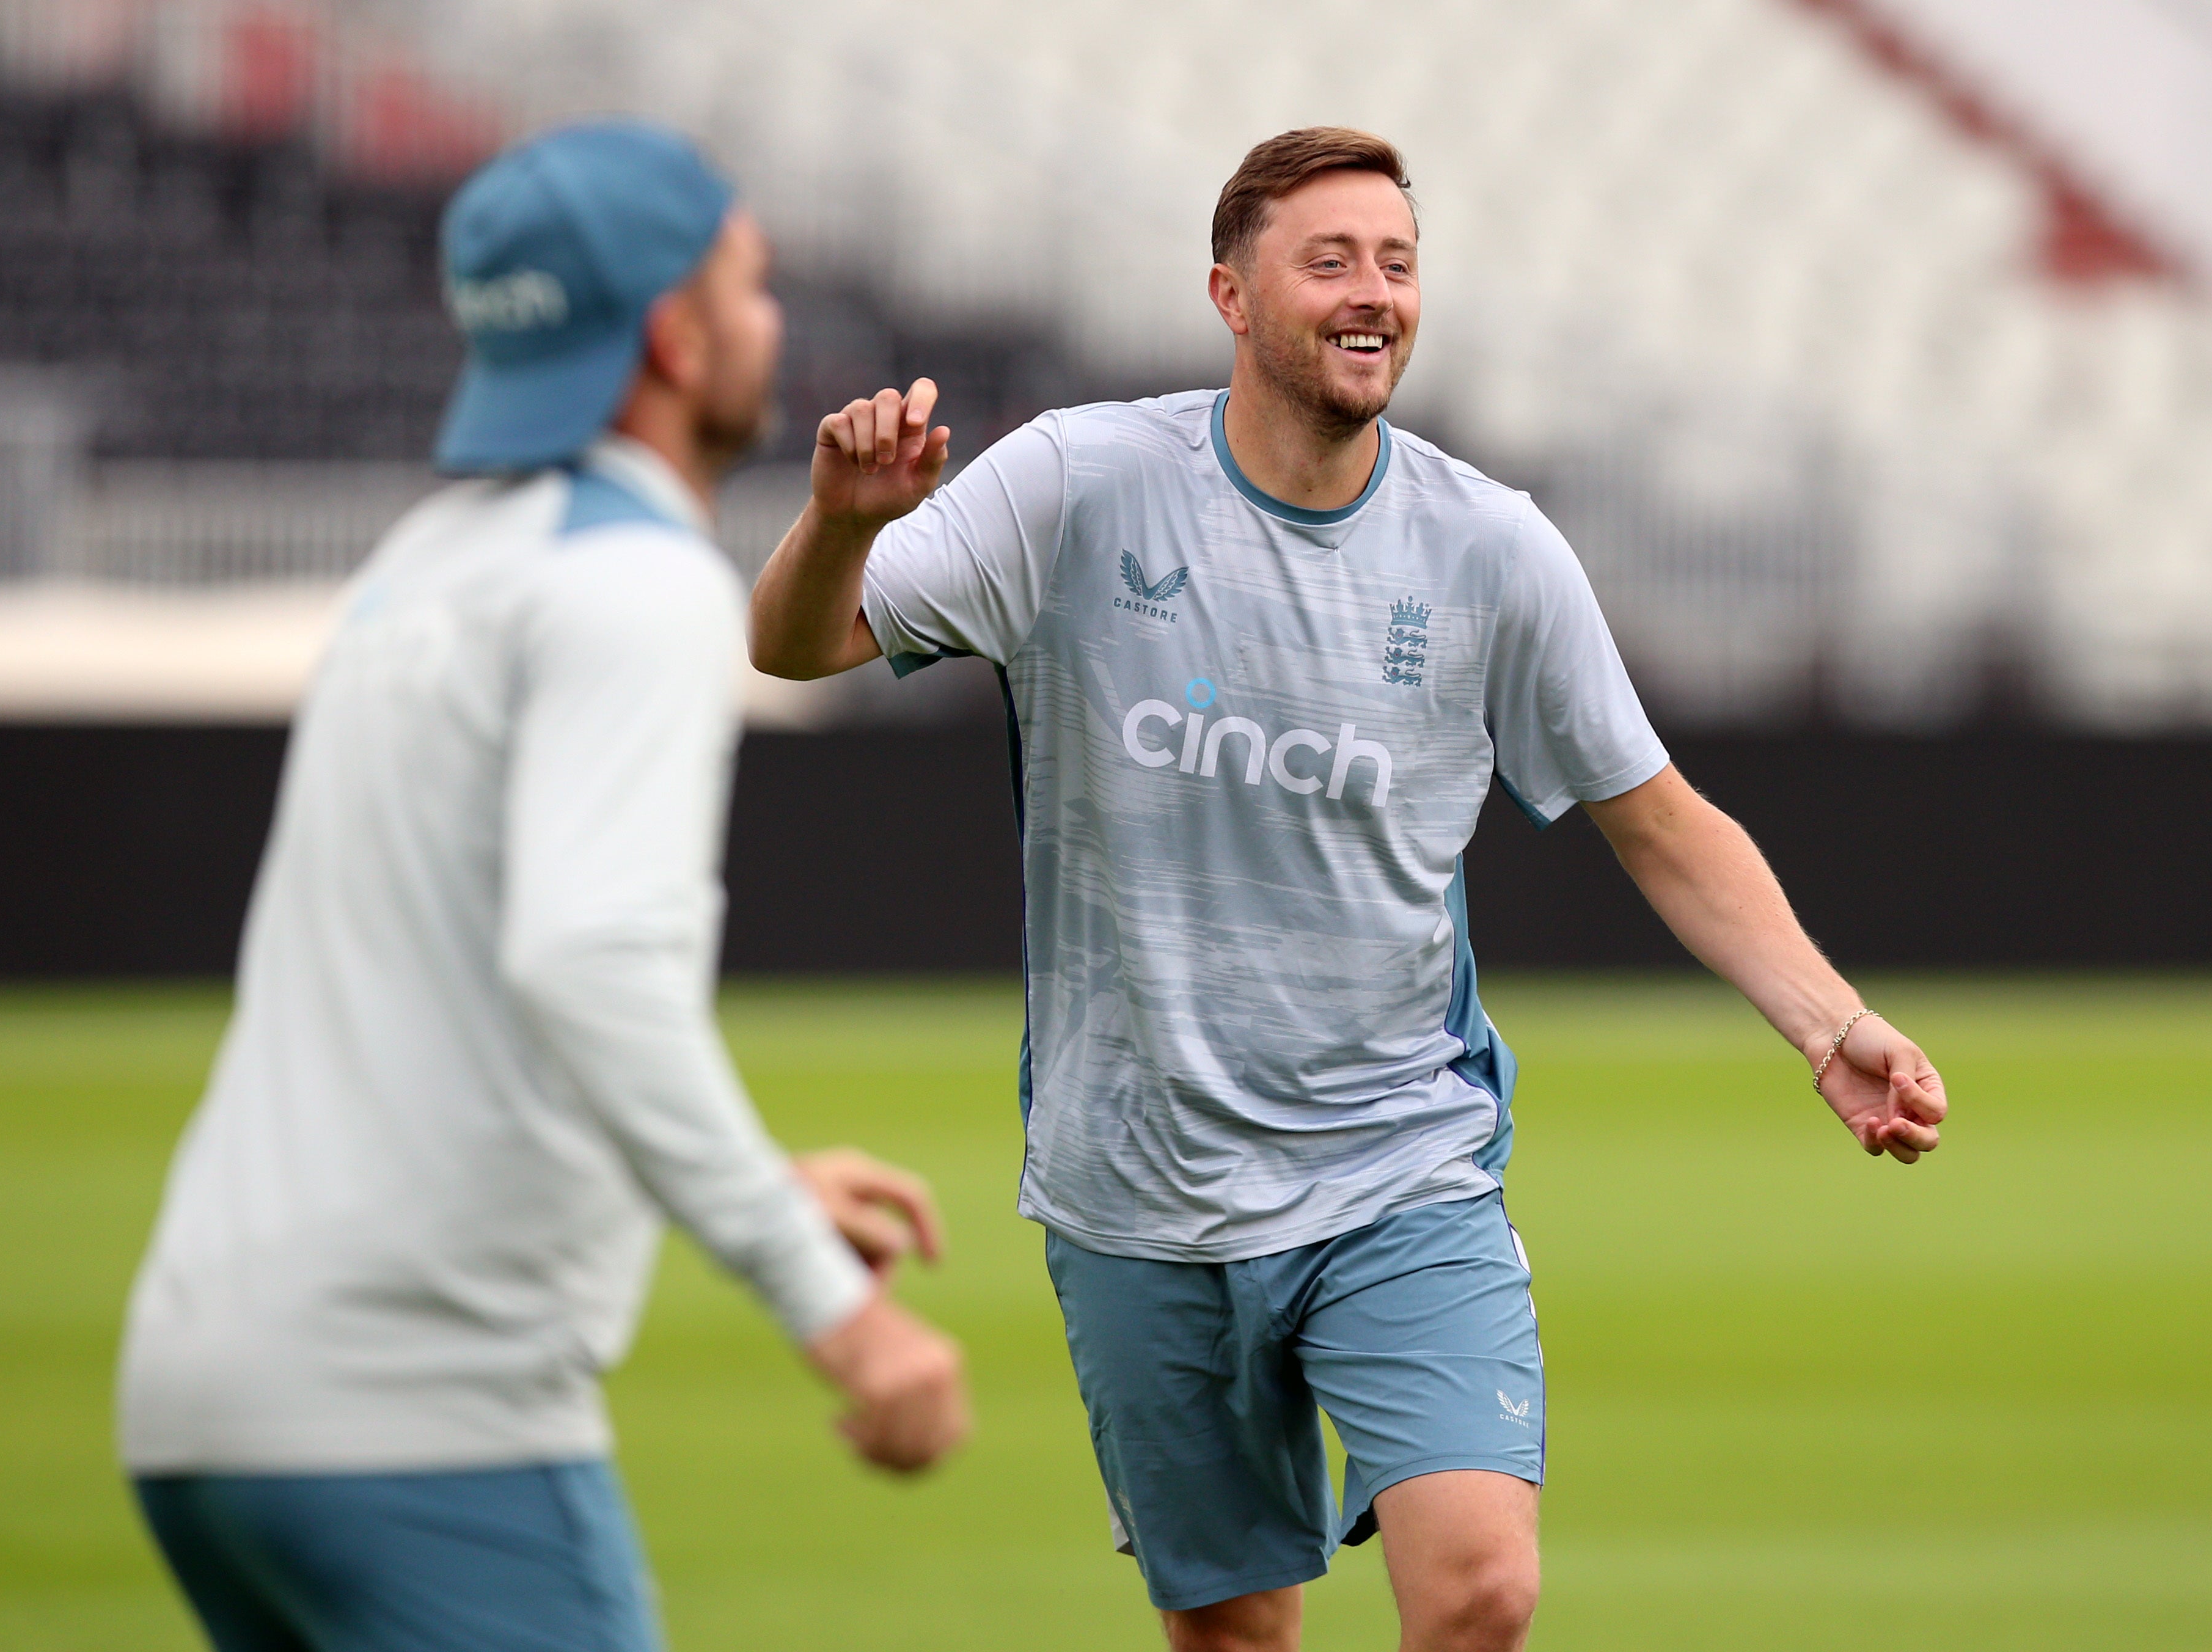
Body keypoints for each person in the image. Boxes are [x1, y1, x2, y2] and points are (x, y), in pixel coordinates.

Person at [750, 126, 1948, 1651]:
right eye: (1329, 261)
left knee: (1481, 1592)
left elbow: (1657, 814)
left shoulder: (1491, 547)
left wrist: (1825, 1017)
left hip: (1401, 1163)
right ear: (1231, 298)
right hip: (1140, 1183)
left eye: (1396, 260)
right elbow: (799, 644)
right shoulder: (1080, 483)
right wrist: (846, 517)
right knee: (1239, 1632)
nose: (1373, 291)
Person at [117, 120, 969, 1652]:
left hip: (205, 1406)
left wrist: (762, 1182)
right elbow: (586, 965)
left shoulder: (427, 565)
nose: (772, 324)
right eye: (751, 284)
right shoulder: (634, 584)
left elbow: (449, 994)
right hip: (417, 1420)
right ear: (671, 331)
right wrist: (835, 1310)